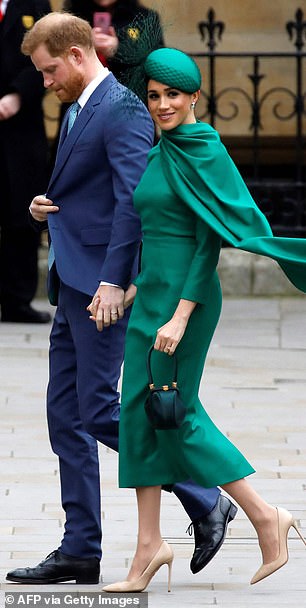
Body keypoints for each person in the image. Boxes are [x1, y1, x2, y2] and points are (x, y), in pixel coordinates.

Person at [6, 14, 234, 586]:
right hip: (73, 282)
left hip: (102, 290)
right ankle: (80, 549)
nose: (45, 82)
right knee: (67, 416)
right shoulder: (84, 105)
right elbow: (95, 191)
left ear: (79, 54)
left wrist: (115, 281)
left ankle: (208, 498)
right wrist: (47, 207)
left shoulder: (124, 109)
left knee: (102, 409)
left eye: (50, 70)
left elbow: (137, 202)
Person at [101, 48, 306, 593]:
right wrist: (132, 289)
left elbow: (205, 242)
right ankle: (149, 546)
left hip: (186, 301)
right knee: (137, 415)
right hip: (153, 298)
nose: (163, 105)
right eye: (154, 96)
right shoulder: (160, 150)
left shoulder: (204, 148)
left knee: (177, 411)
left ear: (195, 96)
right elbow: (157, 234)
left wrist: (179, 316)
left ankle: (266, 515)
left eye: (173, 95)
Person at [0, 0, 51, 323]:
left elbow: (48, 56)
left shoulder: (34, 3)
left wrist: (18, 95)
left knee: (22, 213)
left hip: (21, 127)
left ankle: (17, 299)